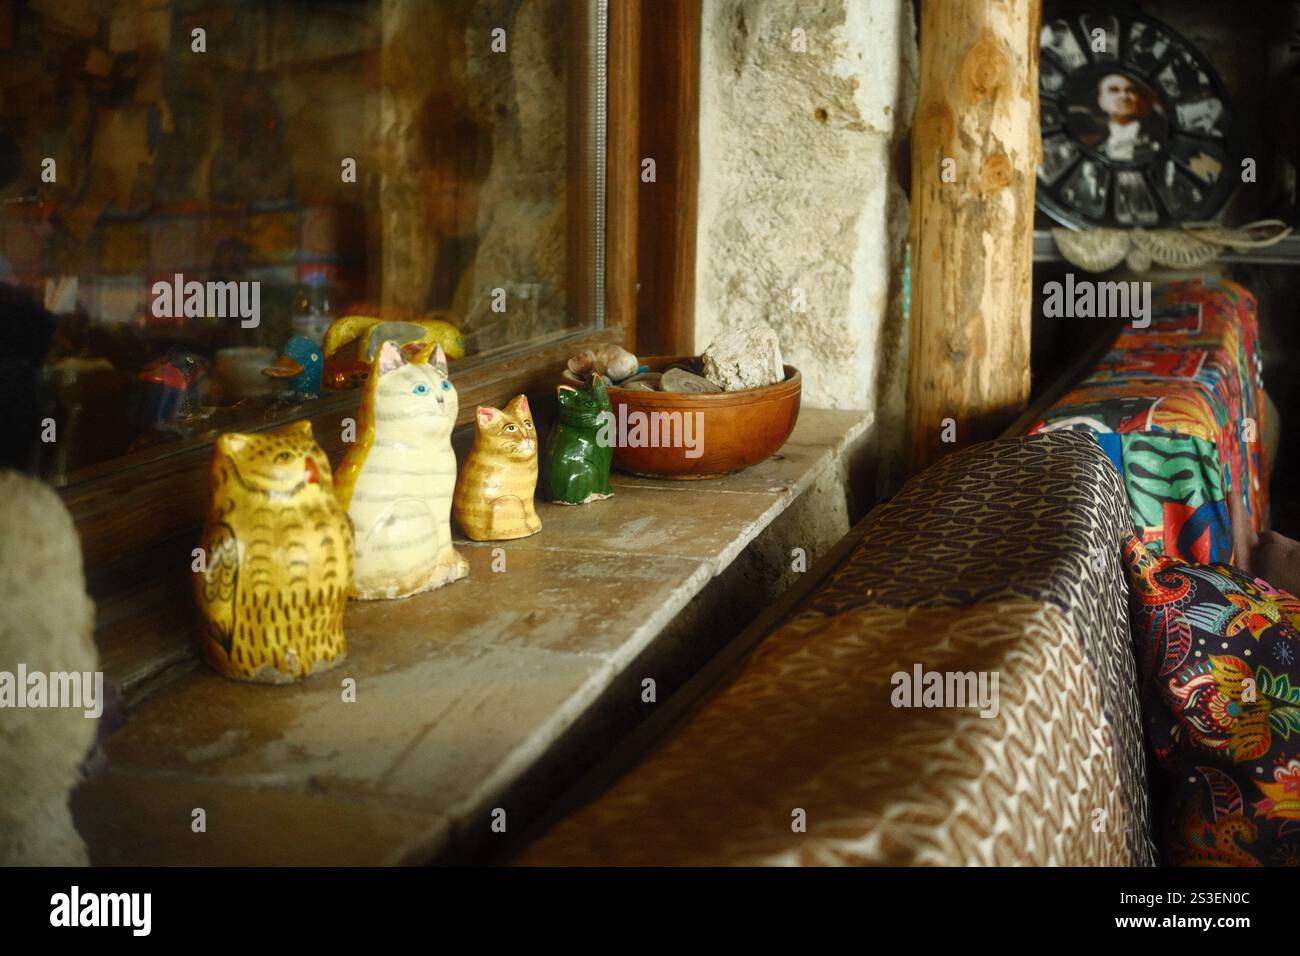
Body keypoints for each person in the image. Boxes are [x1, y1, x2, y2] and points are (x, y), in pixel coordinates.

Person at [1074, 73, 1166, 163]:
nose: (1124, 96)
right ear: (1101, 100)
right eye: (1114, 90)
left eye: (1131, 90)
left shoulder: (1159, 134)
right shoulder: (1093, 143)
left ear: (1139, 98)